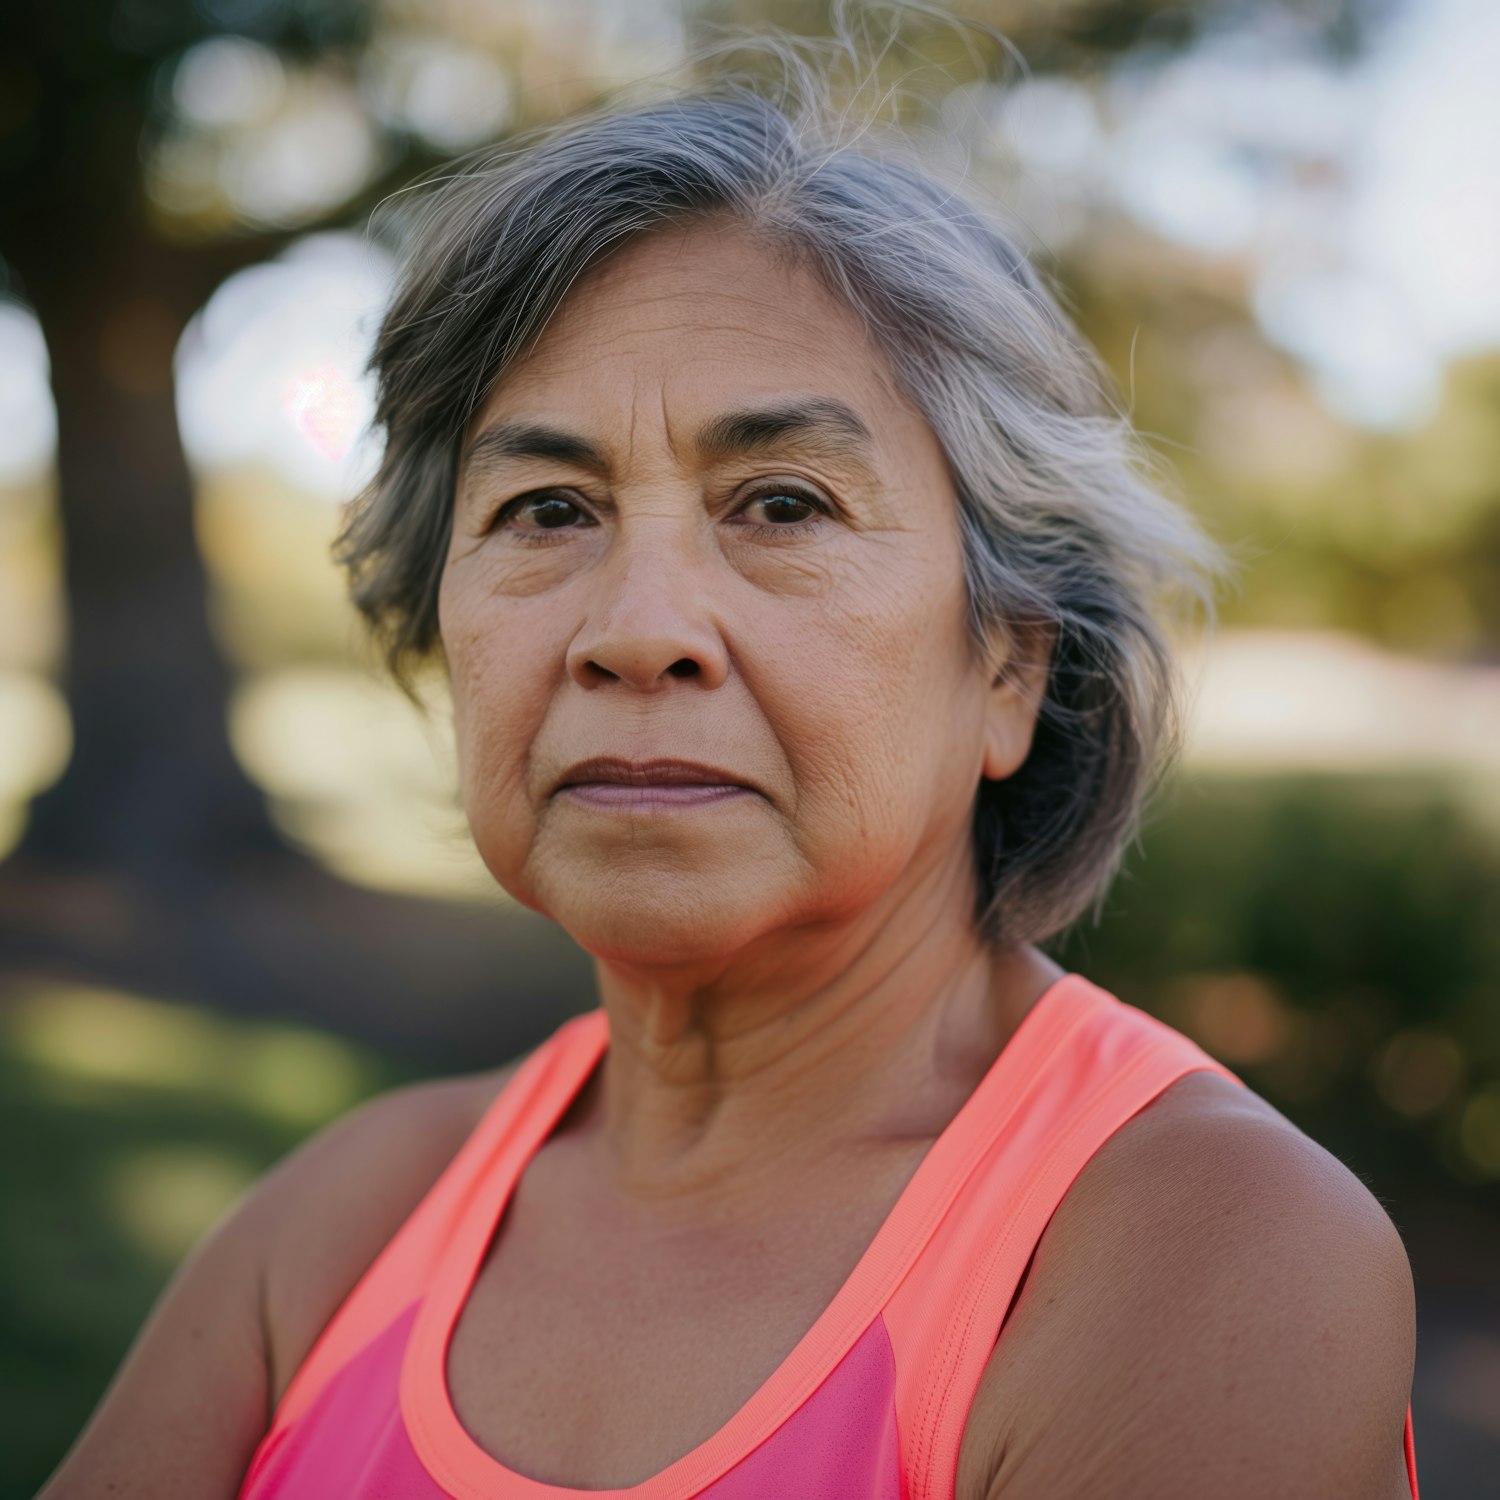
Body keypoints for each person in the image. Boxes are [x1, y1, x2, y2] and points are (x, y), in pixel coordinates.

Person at [38, 14, 1419, 1500]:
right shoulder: (343, 1223)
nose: (636, 633)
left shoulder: (1199, 1249)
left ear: (1010, 660)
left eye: (781, 504)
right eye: (548, 513)